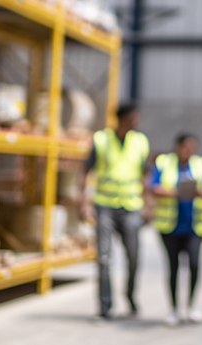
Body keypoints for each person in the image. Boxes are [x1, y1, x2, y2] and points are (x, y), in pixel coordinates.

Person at [81, 104, 149, 320]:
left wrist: (147, 204)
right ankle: (104, 306)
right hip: (104, 205)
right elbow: (85, 171)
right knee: (103, 258)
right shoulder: (101, 140)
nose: (136, 122)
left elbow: (144, 175)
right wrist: (83, 202)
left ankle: (130, 297)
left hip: (131, 206)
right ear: (122, 118)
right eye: (132, 118)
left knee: (133, 255)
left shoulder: (140, 141)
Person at [149, 132, 202, 326]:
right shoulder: (163, 162)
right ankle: (173, 309)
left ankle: (191, 305)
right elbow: (152, 186)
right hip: (170, 226)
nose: (189, 151)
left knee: (194, 265)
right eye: (185, 147)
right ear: (177, 146)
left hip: (195, 226)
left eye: (192, 148)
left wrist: (200, 193)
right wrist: (175, 192)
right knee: (173, 268)